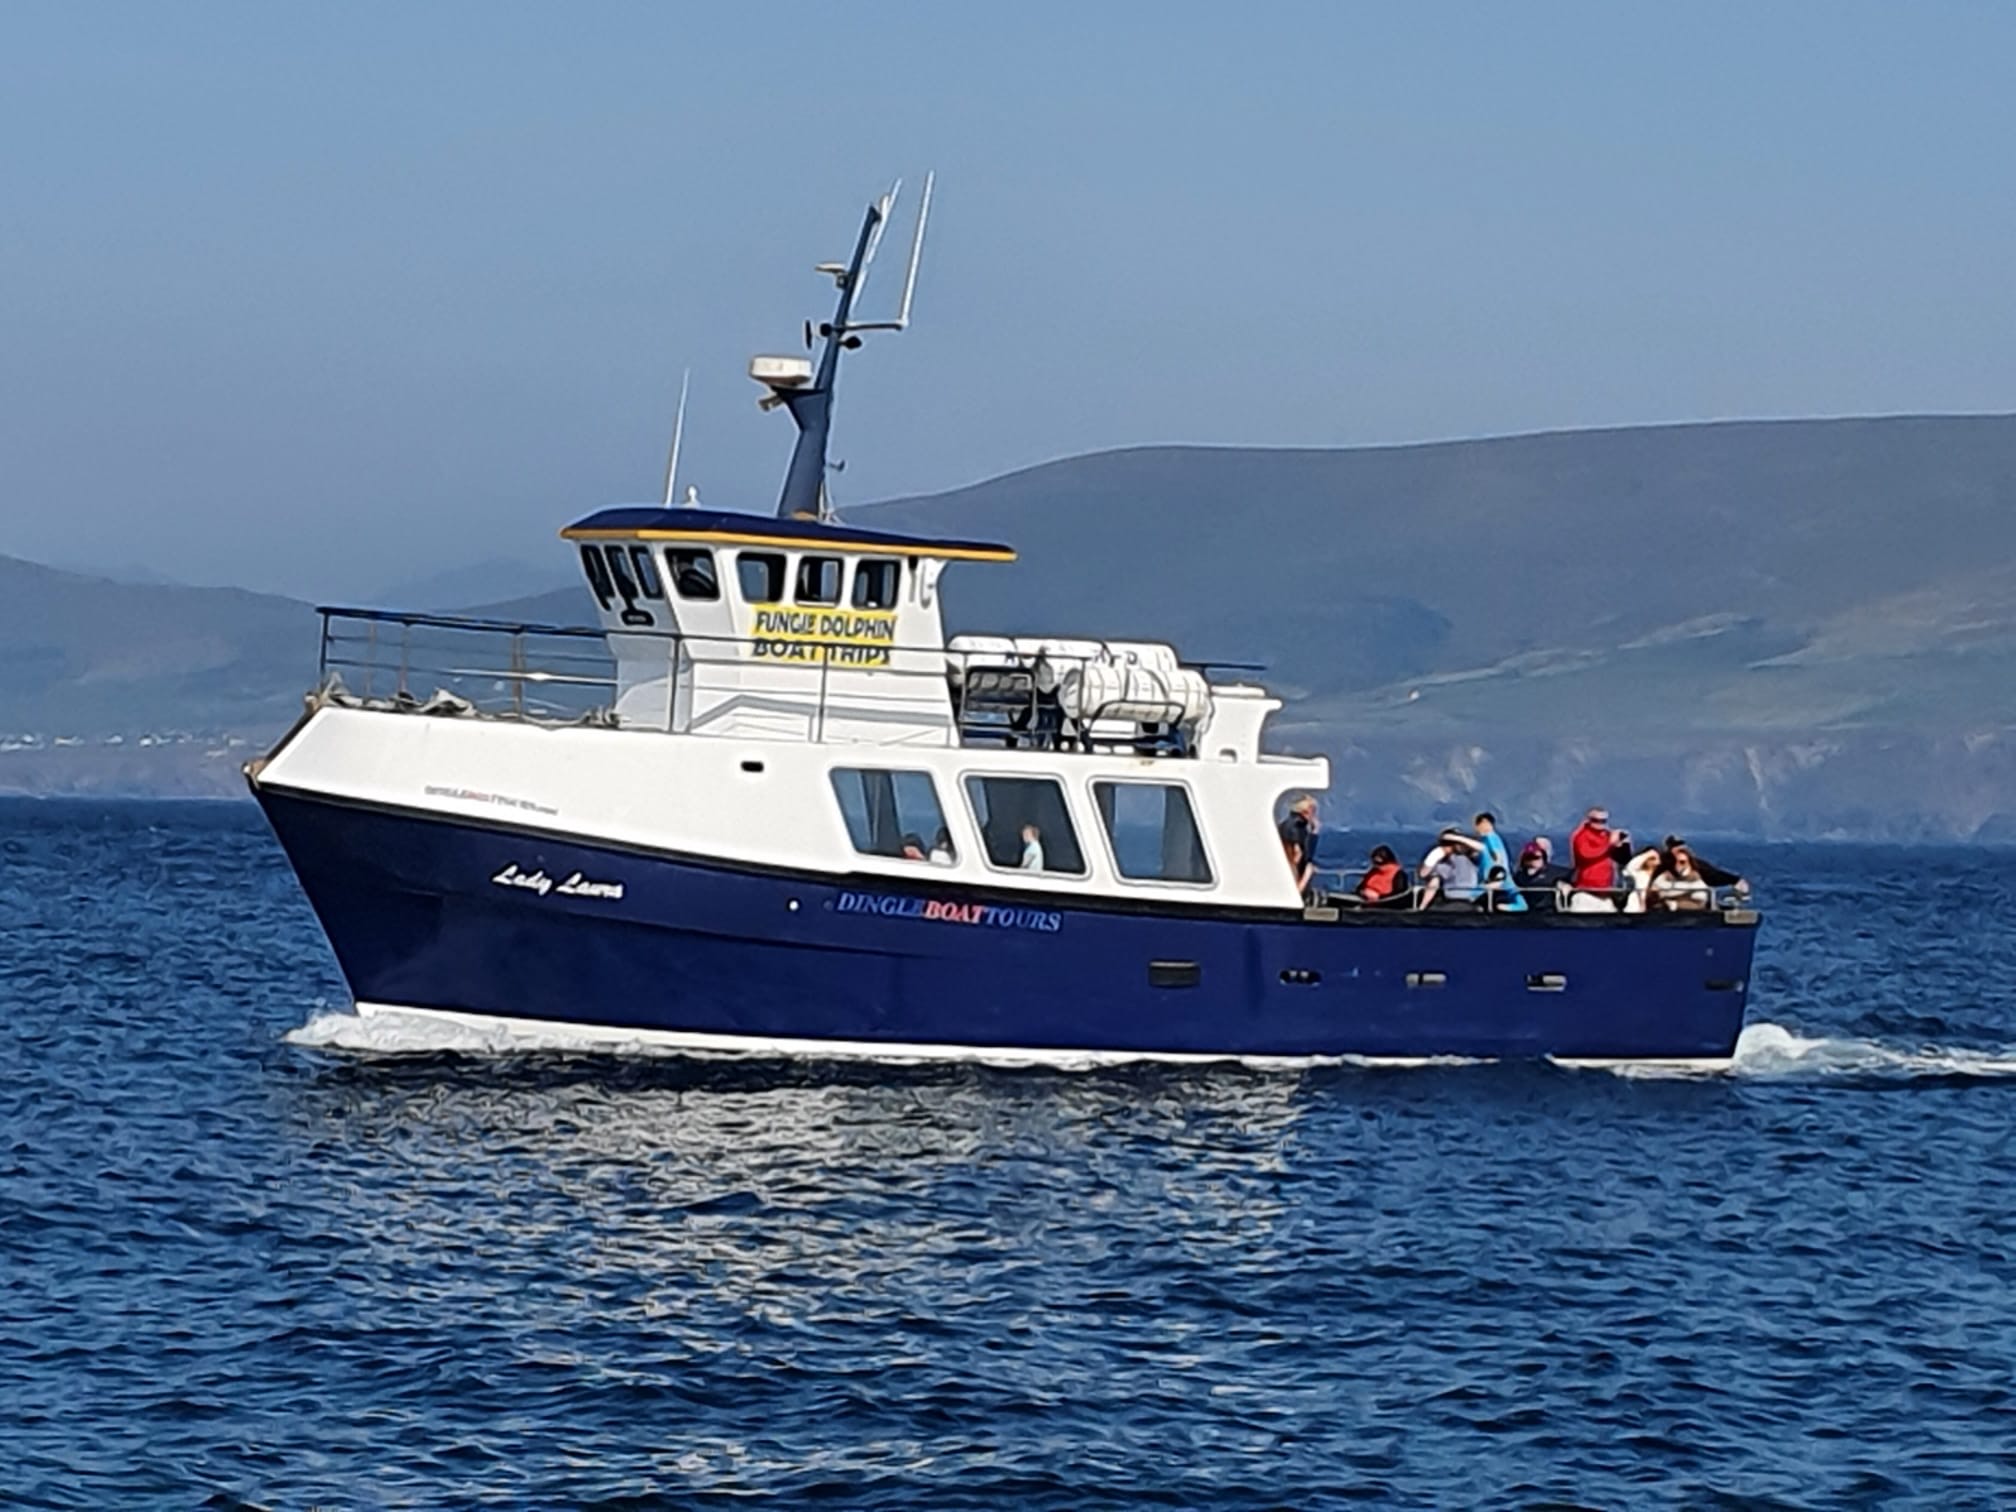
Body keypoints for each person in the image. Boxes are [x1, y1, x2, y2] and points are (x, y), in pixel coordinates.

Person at [1569, 807, 1633, 907]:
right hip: (1586, 892)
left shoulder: (1608, 836)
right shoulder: (1581, 836)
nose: (1599, 824)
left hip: (1606, 893)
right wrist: (1609, 844)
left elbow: (1624, 860)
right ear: (1588, 819)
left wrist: (1625, 845)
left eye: (1603, 821)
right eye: (1596, 820)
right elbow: (1586, 854)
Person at [1470, 812, 1525, 913]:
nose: (1478, 828)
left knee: (1471, 896)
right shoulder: (1484, 840)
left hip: (1497, 879)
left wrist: (1496, 861)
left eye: (1480, 824)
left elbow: (1496, 854)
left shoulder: (1491, 837)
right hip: (1494, 879)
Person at [1664, 836, 1749, 900]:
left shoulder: (1697, 864)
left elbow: (1712, 875)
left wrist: (1734, 880)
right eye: (1677, 847)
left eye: (1682, 847)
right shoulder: (1661, 863)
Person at [1416, 830, 1481, 910]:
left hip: (1455, 900)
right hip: (1471, 900)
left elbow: (1424, 875)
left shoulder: (1449, 864)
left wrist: (1421, 907)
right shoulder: (1471, 859)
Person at [1277, 794, 1319, 898]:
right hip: (1295, 872)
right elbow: (1297, 855)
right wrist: (1307, 873)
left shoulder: (1287, 825)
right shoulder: (1297, 827)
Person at [1649, 844, 1713, 911]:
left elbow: (1699, 903)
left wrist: (1675, 904)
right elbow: (1656, 892)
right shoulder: (1664, 876)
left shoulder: (1695, 879)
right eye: (1674, 862)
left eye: (1682, 862)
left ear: (1689, 863)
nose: (1677, 865)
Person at [1513, 838, 1567, 912]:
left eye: (1536, 858)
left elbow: (1571, 878)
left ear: (1543, 858)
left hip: (1549, 914)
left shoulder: (1556, 873)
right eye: (1529, 858)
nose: (1532, 861)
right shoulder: (1518, 876)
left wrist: (1564, 884)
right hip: (1524, 914)